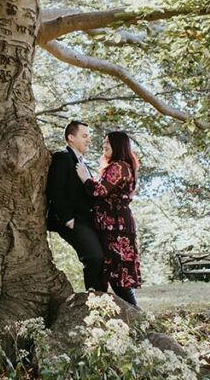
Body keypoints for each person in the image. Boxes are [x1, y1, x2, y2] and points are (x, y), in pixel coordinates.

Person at [76, 130, 142, 307]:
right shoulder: (122, 166)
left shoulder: (119, 166)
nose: (104, 145)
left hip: (117, 227)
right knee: (116, 276)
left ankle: (140, 321)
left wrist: (85, 178)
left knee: (120, 279)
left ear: (117, 145)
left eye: (107, 142)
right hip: (114, 225)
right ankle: (136, 320)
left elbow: (99, 191)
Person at [45, 120, 107, 292]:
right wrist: (67, 218)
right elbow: (55, 190)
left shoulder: (84, 164)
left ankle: (104, 302)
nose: (88, 140)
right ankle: (94, 300)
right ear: (71, 138)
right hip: (72, 220)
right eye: (84, 136)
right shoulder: (62, 158)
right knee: (93, 257)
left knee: (102, 259)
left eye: (89, 136)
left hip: (87, 220)